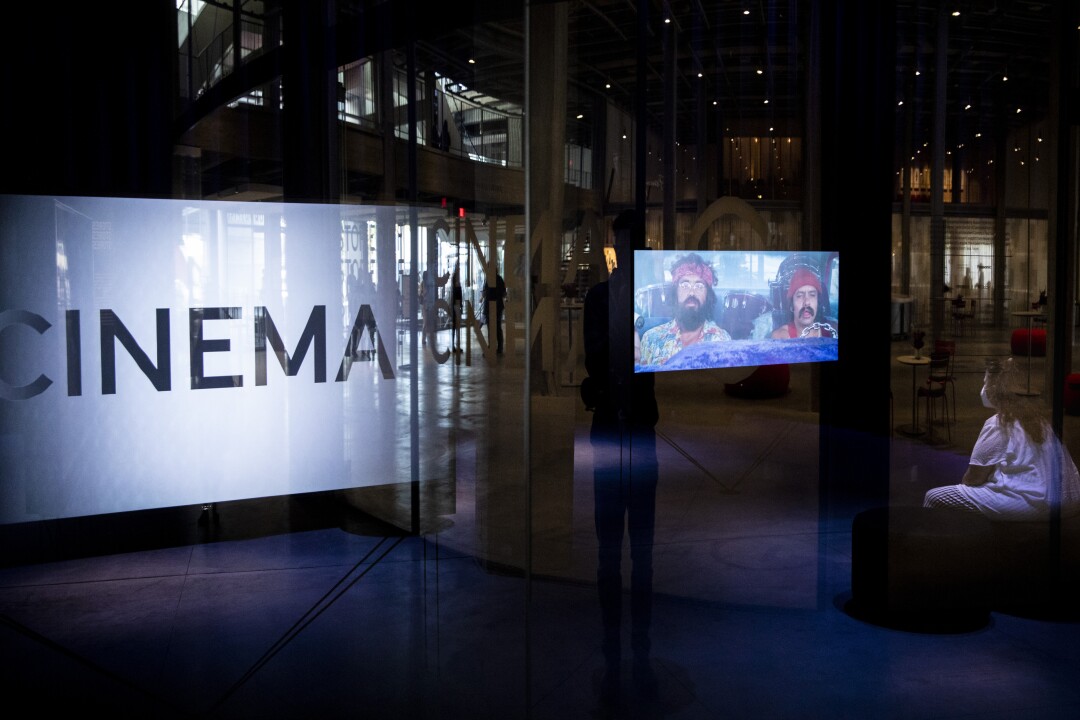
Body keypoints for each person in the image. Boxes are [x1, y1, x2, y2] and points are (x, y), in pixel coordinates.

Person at [582, 210, 660, 706]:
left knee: (641, 555)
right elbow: (598, 360)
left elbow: (652, 359)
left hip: (636, 436)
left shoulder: (651, 301)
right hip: (614, 435)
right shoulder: (602, 299)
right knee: (614, 554)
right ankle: (618, 654)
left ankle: (637, 652)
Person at [924, 358, 1080, 520]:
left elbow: (973, 478)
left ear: (994, 389)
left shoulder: (998, 423)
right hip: (1070, 499)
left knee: (933, 497)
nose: (983, 388)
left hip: (1036, 503)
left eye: (985, 382)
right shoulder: (1041, 421)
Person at [638, 253, 731, 366]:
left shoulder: (722, 341)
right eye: (685, 285)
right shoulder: (651, 339)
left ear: (708, 296)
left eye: (699, 286)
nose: (692, 292)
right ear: (675, 293)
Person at [770, 265, 837, 338]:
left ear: (818, 302)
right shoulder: (780, 336)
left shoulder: (832, 331)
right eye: (799, 296)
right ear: (792, 305)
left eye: (812, 295)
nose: (806, 303)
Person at [483, 271, 507, 354]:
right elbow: (504, 293)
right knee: (497, 327)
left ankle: (492, 346)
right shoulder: (499, 279)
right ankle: (499, 347)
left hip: (491, 307)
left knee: (492, 328)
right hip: (497, 306)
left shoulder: (489, 279)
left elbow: (485, 293)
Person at [450, 265, 463, 352]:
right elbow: (457, 294)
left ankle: (456, 345)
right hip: (456, 305)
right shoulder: (455, 281)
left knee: (456, 326)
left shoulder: (456, 281)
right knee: (456, 325)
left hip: (456, 305)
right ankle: (455, 346)